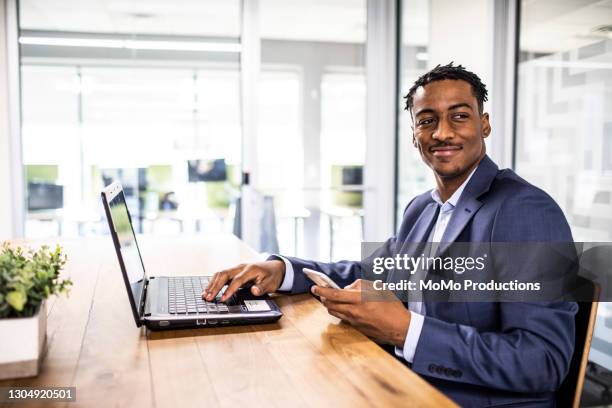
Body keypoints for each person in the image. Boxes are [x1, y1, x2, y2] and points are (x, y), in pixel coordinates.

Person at [202, 63, 577, 407]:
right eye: (427, 120)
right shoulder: (424, 208)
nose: (442, 132)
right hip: (402, 380)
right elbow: (369, 272)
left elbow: (542, 361)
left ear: (485, 124)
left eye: (459, 117)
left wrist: (406, 330)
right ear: (415, 135)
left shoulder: (524, 210)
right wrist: (280, 270)